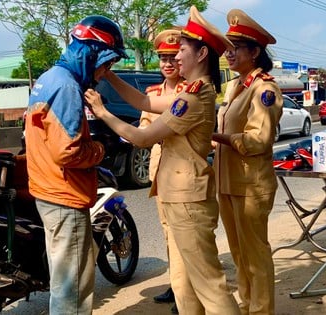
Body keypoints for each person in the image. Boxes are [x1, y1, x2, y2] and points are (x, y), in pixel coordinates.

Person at [85, 6, 240, 315]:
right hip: (178, 195)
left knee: (208, 283)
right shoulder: (193, 93)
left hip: (189, 199)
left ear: (201, 54)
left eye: (181, 50)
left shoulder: (194, 97)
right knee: (182, 283)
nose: (176, 57)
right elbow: (144, 101)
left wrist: (102, 112)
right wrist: (110, 74)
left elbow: (142, 139)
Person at [24, 15, 128, 314]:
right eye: (106, 64)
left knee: (64, 283)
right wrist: (99, 149)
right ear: (92, 54)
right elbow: (68, 153)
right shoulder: (67, 87)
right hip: (65, 196)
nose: (104, 73)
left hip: (48, 192)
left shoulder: (47, 79)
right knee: (73, 289)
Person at [211, 8, 283, 315]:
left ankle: (261, 309)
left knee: (255, 253)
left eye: (234, 48)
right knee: (238, 252)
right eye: (227, 48)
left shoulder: (264, 89)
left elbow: (258, 140)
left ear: (254, 52)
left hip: (251, 183)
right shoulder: (235, 86)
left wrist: (219, 137)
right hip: (228, 181)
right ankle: (246, 303)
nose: (228, 53)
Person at [140, 28, 187, 315]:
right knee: (168, 232)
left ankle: (186, 292)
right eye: (162, 59)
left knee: (184, 233)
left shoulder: (191, 91)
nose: (168, 64)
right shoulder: (152, 94)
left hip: (182, 171)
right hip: (160, 168)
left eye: (173, 58)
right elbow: (144, 127)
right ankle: (175, 282)